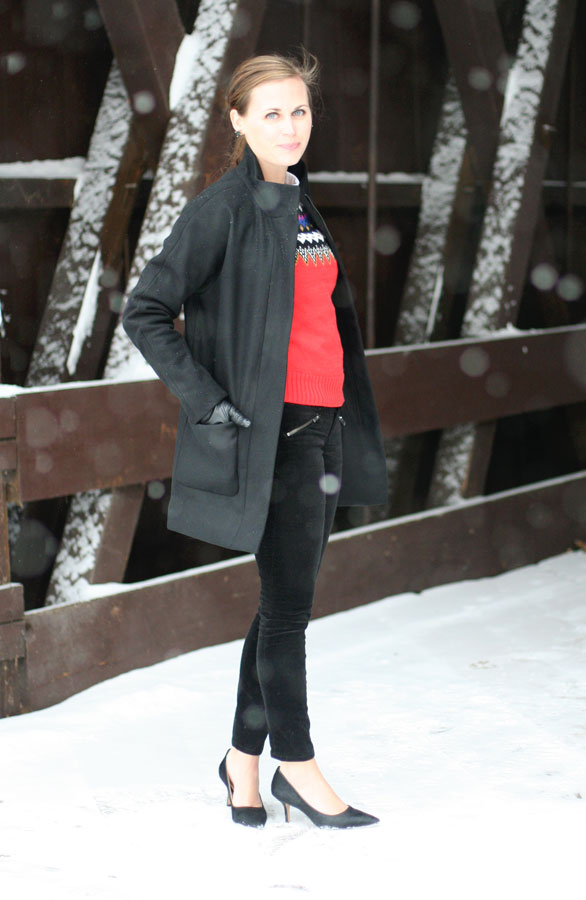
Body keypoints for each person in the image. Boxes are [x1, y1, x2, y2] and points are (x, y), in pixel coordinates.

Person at [122, 52, 387, 829]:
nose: (290, 126)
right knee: (289, 612)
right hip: (276, 437)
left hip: (325, 424)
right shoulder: (224, 208)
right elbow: (145, 310)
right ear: (238, 119)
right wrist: (208, 400)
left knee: (283, 602)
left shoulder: (298, 202)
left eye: (299, 110)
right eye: (271, 112)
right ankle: (295, 767)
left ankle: (242, 762)